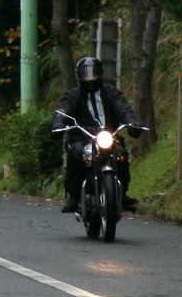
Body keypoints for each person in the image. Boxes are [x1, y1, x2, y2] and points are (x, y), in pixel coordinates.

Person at [52, 56, 142, 214]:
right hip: (82, 136)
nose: (90, 78)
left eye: (93, 73)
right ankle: (74, 195)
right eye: (86, 74)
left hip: (108, 134)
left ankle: (122, 193)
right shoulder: (73, 95)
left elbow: (123, 108)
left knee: (121, 155)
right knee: (76, 155)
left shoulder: (111, 92)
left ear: (100, 73)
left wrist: (131, 122)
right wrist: (58, 124)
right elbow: (63, 110)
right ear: (80, 76)